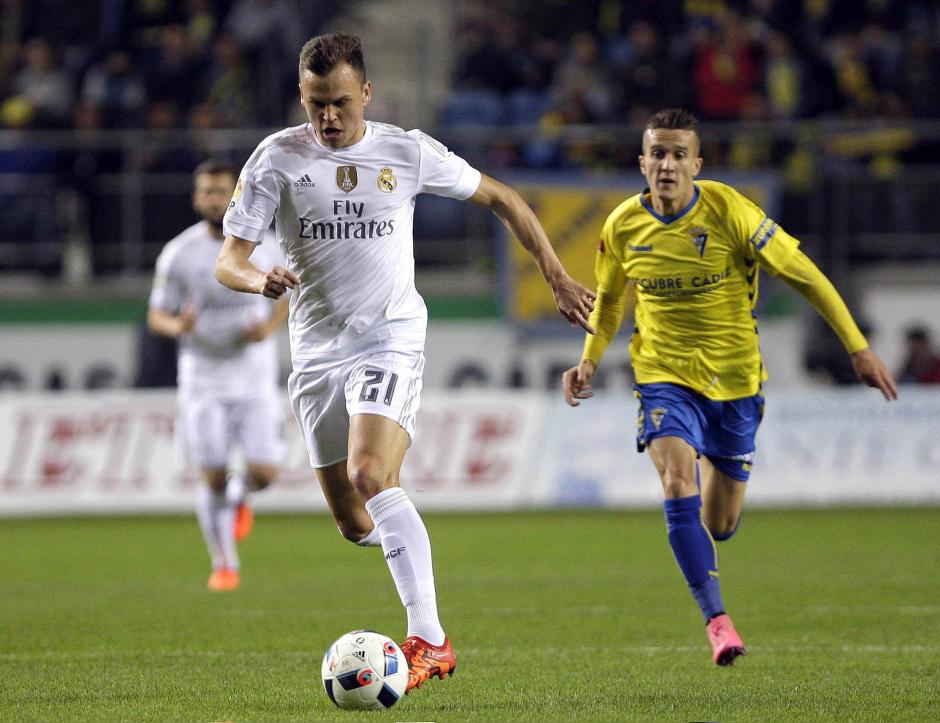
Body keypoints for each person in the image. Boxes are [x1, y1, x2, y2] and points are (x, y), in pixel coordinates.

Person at [214, 33, 596, 693]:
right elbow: (230, 257)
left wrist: (556, 275)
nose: (327, 119)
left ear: (365, 91)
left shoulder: (405, 150)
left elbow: (504, 197)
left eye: (337, 103)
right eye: (314, 106)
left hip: (388, 334)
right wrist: (257, 281)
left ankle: (430, 638)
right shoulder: (276, 158)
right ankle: (404, 538)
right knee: (350, 516)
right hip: (314, 350)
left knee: (371, 469)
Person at [562, 108, 897, 666]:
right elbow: (614, 297)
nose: (667, 165)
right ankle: (717, 620)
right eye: (657, 154)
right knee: (675, 481)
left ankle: (718, 505)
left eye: (678, 155)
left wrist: (857, 346)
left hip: (737, 382)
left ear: (697, 162)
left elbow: (804, 274)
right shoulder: (622, 225)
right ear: (642, 162)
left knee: (719, 524)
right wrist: (590, 360)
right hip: (663, 375)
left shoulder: (730, 211)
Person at [148, 159, 289, 592]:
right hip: (203, 378)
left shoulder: (265, 248)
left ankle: (238, 495)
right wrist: (179, 327)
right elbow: (157, 315)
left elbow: (290, 298)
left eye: (220, 191)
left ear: (236, 196)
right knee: (210, 472)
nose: (213, 199)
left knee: (264, 473)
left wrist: (266, 328)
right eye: (206, 191)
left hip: (253, 375)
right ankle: (224, 561)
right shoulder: (179, 253)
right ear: (196, 198)